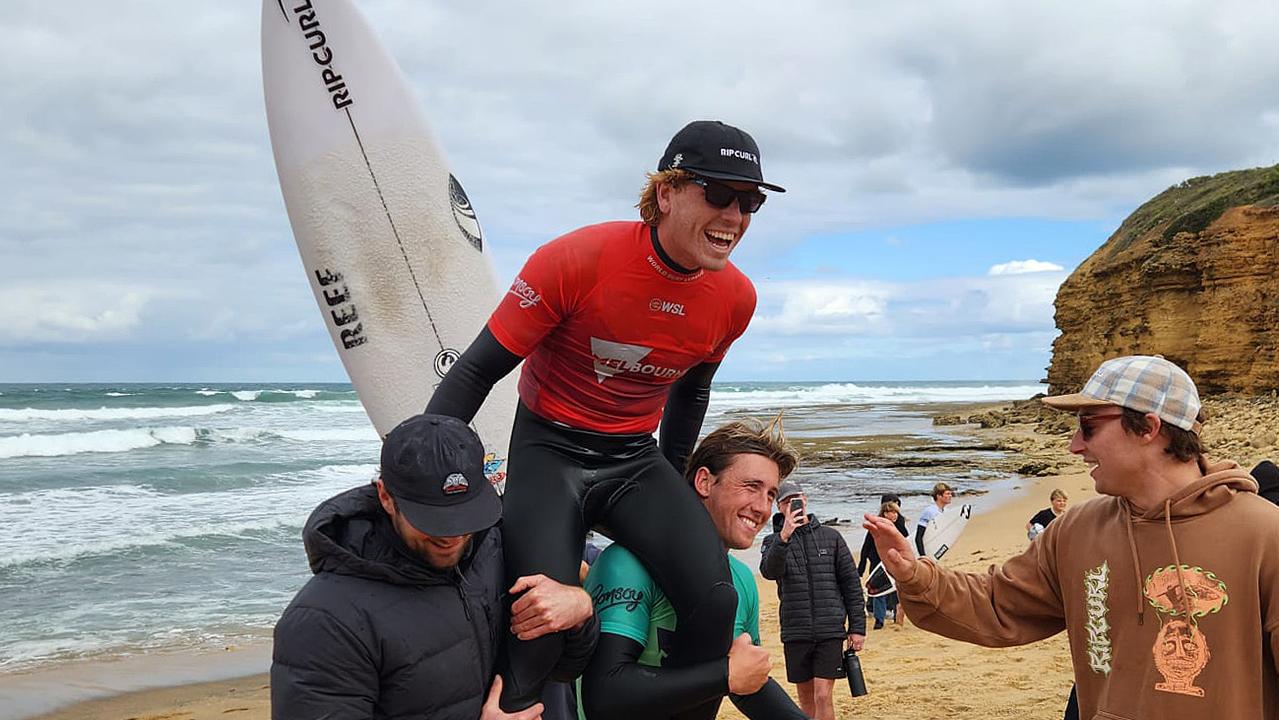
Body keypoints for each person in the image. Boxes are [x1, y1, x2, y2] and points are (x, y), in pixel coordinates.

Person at [426, 120, 784, 712]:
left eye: (751, 202)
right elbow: (474, 371)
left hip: (632, 457)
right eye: (718, 195)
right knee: (540, 621)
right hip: (549, 451)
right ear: (666, 193)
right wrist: (424, 474)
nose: (735, 216)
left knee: (716, 599)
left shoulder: (735, 298)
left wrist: (669, 481)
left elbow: (692, 392)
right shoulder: (575, 259)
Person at [864, 355, 1279, 719]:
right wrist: (915, 574)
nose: (1073, 445)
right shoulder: (1077, 529)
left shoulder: (1264, 534)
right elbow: (998, 602)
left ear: (1149, 427)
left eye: (1088, 426)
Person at [270, 414, 598, 720]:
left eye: (464, 514)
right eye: (433, 520)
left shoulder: (494, 546)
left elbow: (562, 669)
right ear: (385, 496)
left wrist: (579, 611)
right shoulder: (325, 621)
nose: (452, 537)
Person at [579, 417, 806, 719]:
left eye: (770, 494)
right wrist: (724, 674)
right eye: (751, 487)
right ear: (704, 482)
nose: (763, 508)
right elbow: (605, 695)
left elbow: (744, 681)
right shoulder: (628, 564)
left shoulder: (742, 580)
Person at [761, 479, 867, 720]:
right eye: (787, 501)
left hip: (830, 629)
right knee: (806, 700)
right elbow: (769, 571)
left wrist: (857, 628)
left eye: (797, 498)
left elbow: (851, 584)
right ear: (779, 507)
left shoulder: (832, 537)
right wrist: (784, 535)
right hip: (796, 631)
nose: (793, 504)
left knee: (822, 695)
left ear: (805, 500)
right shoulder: (773, 542)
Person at [858, 500, 906, 629]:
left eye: (897, 512)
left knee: (897, 589)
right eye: (893, 512)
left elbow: (907, 543)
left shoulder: (899, 526)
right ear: (885, 514)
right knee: (879, 591)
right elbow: (866, 547)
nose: (896, 515)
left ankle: (897, 617)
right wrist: (861, 568)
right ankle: (879, 620)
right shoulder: (875, 527)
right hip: (877, 563)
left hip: (895, 562)